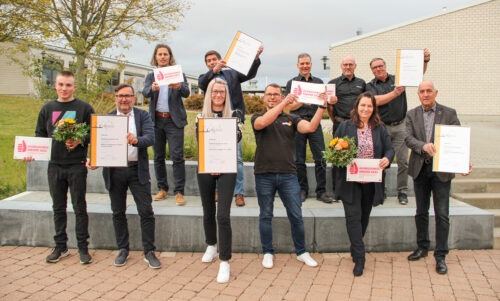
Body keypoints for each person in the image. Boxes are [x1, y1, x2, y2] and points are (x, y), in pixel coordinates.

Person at [252, 83, 325, 269]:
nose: (272, 97)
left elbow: (309, 128)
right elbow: (262, 124)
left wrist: (322, 107)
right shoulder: (257, 116)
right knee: (266, 215)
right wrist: (284, 102)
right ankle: (267, 252)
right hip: (264, 174)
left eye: (276, 94)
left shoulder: (292, 118)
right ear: (264, 98)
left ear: (280, 95)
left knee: (296, 215)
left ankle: (302, 252)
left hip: (288, 175)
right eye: (269, 94)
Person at [28, 70, 94, 264]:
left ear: (74, 87)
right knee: (58, 207)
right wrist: (30, 152)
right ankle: (61, 246)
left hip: (77, 165)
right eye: (61, 84)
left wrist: (79, 140)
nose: (64, 88)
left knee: (79, 207)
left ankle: (83, 248)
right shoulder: (47, 108)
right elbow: (40, 135)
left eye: (68, 85)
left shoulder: (84, 108)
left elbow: (95, 133)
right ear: (55, 85)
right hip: (54, 166)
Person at [405, 80, 471, 275]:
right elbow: (408, 138)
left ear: (436, 93)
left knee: (442, 214)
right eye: (422, 91)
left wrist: (464, 161)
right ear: (418, 94)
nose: (425, 94)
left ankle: (440, 255)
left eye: (429, 91)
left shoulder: (449, 113)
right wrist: (423, 146)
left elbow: (459, 139)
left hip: (442, 171)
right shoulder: (411, 114)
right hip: (420, 169)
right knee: (421, 211)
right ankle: (422, 247)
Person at [99, 84, 160, 269]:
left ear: (134, 97)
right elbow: (99, 144)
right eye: (120, 96)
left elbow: (151, 138)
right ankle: (123, 249)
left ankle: (149, 251)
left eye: (127, 96)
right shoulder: (107, 119)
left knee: (146, 211)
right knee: (118, 212)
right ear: (115, 98)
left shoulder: (142, 116)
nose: (124, 99)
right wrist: (95, 159)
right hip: (114, 170)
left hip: (136, 170)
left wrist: (136, 140)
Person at [334, 92, 394, 276]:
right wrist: (340, 155)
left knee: (363, 218)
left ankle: (355, 247)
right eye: (363, 105)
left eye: (369, 106)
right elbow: (333, 148)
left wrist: (387, 158)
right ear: (356, 107)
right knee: (353, 218)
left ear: (374, 108)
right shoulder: (345, 126)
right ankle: (360, 258)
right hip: (350, 181)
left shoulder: (380, 129)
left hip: (370, 181)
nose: (366, 109)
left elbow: (390, 149)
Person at [198, 47, 264, 207]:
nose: (212, 62)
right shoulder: (204, 77)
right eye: (209, 61)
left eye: (214, 59)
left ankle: (238, 192)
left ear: (221, 60)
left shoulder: (232, 73)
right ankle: (217, 189)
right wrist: (214, 71)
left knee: (237, 158)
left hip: (232, 119)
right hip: (212, 121)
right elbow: (202, 84)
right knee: (212, 156)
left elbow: (250, 74)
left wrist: (254, 58)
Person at [366, 49, 431, 205]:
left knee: (403, 161)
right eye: (375, 68)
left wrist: (424, 61)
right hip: (381, 128)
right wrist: (395, 93)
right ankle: (381, 191)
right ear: (372, 70)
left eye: (380, 66)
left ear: (385, 66)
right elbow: (375, 101)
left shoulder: (398, 79)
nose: (378, 69)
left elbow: (417, 75)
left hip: (401, 126)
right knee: (380, 160)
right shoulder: (370, 86)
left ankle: (402, 191)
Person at [196, 78, 242, 283]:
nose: (218, 95)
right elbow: (201, 144)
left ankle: (225, 261)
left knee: (222, 214)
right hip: (206, 166)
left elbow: (237, 138)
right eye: (215, 92)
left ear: (226, 94)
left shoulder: (234, 115)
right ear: (209, 94)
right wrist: (211, 164)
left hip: (227, 168)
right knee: (208, 209)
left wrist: (220, 163)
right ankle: (211, 245)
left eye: (222, 92)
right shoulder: (200, 117)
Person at [142, 43, 190, 206]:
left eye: (165, 54)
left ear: (170, 57)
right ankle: (162, 188)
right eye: (160, 54)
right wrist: (152, 89)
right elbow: (145, 93)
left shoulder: (177, 73)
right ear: (155, 57)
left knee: (177, 156)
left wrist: (179, 86)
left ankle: (179, 191)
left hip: (173, 120)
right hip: (156, 121)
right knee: (158, 156)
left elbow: (187, 92)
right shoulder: (151, 76)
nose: (162, 57)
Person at [285, 53, 332, 204]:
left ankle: (321, 191)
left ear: (311, 64)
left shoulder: (319, 82)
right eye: (302, 63)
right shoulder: (291, 83)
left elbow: (325, 103)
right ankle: (302, 190)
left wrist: (329, 99)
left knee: (321, 158)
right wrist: (302, 100)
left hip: (315, 123)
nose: (305, 66)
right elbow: (288, 107)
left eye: (307, 63)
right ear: (297, 65)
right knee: (298, 159)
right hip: (297, 123)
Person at [327, 56, 366, 199]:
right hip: (340, 123)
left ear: (355, 66)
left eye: (350, 64)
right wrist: (336, 121)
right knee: (338, 156)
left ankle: (355, 188)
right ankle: (337, 191)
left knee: (356, 154)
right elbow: (329, 107)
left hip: (357, 124)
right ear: (341, 66)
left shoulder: (361, 83)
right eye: (345, 65)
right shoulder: (333, 84)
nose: (348, 67)